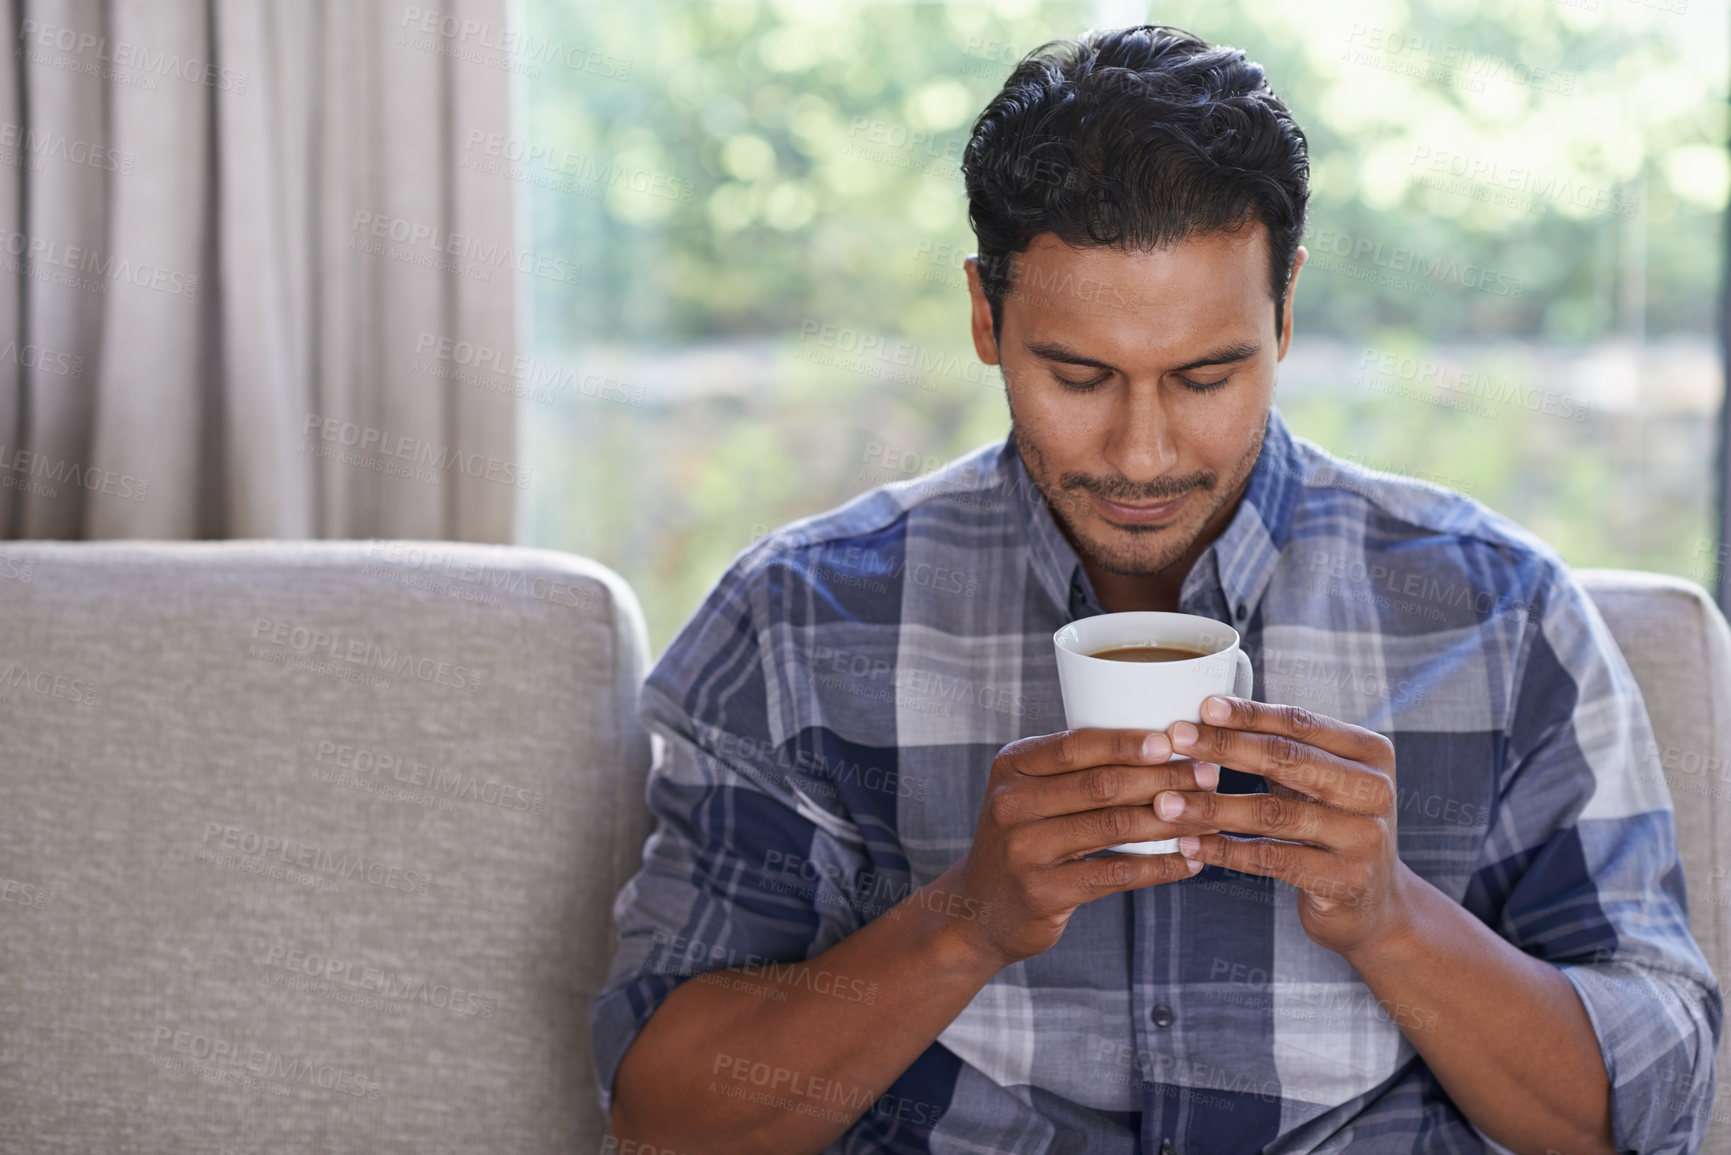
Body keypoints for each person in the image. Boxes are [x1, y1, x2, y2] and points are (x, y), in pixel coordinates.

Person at [592, 24, 1720, 1154]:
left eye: (1206, 375)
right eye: (1078, 376)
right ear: (986, 318)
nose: (1140, 454)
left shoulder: (1500, 614)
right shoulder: (797, 620)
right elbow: (661, 1121)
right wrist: (965, 922)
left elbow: (1652, 1107)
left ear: (1283, 315)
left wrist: (1393, 920)